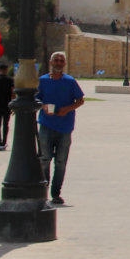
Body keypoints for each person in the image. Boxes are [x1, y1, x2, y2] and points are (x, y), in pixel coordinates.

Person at [36, 51, 86, 206]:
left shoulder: (70, 81)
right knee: (44, 160)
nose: (58, 63)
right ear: (51, 63)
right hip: (46, 125)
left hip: (65, 127)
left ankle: (56, 193)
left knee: (61, 162)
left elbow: (80, 100)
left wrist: (68, 109)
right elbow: (36, 98)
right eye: (56, 60)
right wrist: (42, 106)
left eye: (61, 60)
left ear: (64, 63)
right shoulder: (43, 80)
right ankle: (42, 192)